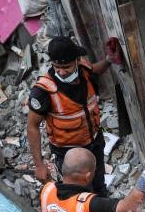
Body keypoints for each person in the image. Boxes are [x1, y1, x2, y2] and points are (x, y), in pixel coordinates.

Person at [27, 36, 121, 196]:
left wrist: (109, 60)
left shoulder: (84, 70)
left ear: (77, 60)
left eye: (67, 67)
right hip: (69, 154)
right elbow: (32, 126)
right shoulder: (44, 91)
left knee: (98, 184)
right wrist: (39, 165)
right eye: (57, 67)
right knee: (80, 194)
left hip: (94, 143)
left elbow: (95, 70)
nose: (62, 72)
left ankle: (103, 208)